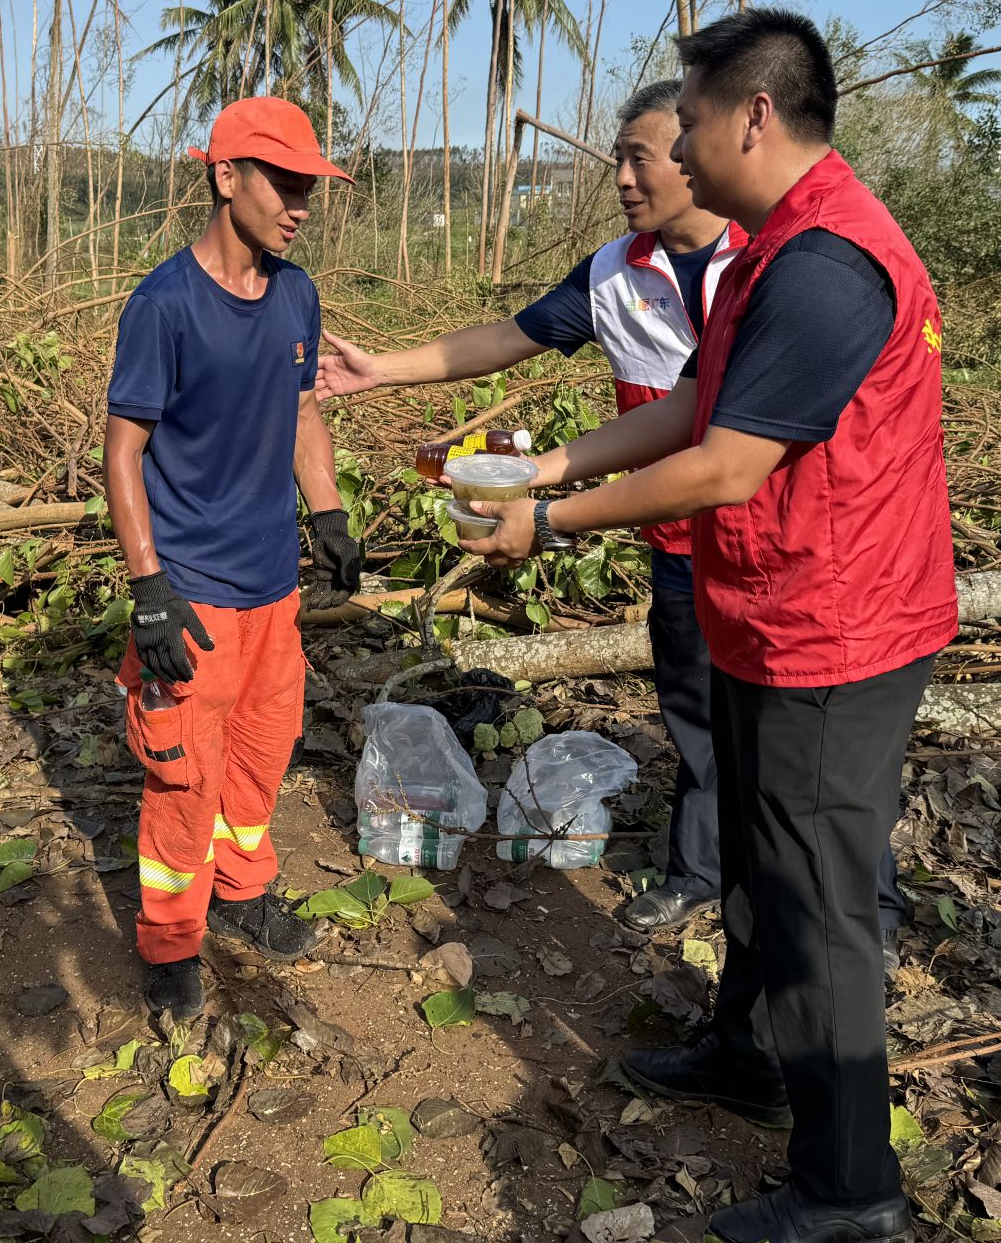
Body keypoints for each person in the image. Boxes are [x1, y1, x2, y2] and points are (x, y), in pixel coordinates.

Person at [461, 10, 956, 1243]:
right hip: (765, 615)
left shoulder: (831, 264)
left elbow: (729, 464)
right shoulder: (765, 252)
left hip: (833, 638)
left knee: (822, 907)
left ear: (753, 116)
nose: (670, 142)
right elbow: (695, 401)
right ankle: (745, 1052)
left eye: (685, 118)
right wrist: (548, 467)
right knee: (756, 862)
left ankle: (852, 1191)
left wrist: (554, 524)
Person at [316, 80, 905, 958]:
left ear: (705, 147)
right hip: (676, 539)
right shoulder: (614, 270)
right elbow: (509, 339)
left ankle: (859, 915)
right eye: (618, 158)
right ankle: (703, 875)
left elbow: (734, 447)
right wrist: (384, 371)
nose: (623, 177)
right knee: (699, 717)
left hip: (787, 555)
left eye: (644, 154)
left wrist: (549, 515)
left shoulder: (786, 261)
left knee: (806, 755)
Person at [104, 96, 363, 1020]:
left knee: (260, 754)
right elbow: (124, 448)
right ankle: (171, 941)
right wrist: (146, 587)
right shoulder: (164, 305)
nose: (301, 204)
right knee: (183, 772)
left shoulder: (297, 294)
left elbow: (301, 411)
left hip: (272, 591)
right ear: (225, 177)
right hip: (194, 597)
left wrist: (326, 513)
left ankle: (244, 895)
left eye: (310, 187)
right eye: (285, 183)